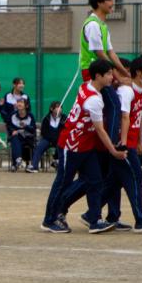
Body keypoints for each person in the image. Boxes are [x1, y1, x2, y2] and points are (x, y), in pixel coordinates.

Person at [41, 59, 126, 233]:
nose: (112, 77)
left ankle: (94, 220)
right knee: (62, 182)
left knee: (95, 180)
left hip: (86, 145)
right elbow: (101, 130)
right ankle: (49, 220)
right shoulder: (94, 100)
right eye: (109, 74)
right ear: (98, 76)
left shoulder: (87, 86)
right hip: (71, 145)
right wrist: (113, 151)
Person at [104, 55, 142, 232]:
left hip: (131, 142)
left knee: (114, 181)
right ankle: (141, 220)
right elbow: (123, 117)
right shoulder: (126, 91)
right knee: (136, 177)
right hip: (123, 144)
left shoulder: (141, 91)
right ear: (138, 72)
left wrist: (139, 139)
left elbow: (138, 116)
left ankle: (94, 214)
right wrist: (123, 143)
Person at [79, 0, 129, 82]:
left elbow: (111, 53)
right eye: (109, 0)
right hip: (93, 72)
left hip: (103, 72)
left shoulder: (103, 26)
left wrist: (125, 73)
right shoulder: (93, 25)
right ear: (99, 2)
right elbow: (100, 54)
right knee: (114, 95)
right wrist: (117, 75)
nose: (112, 3)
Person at [28, 101, 63, 173]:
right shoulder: (46, 118)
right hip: (47, 139)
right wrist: (50, 139)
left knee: (61, 145)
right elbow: (44, 132)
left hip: (59, 140)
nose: (59, 109)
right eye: (57, 107)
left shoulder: (64, 118)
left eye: (60, 107)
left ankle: (58, 163)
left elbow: (65, 131)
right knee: (39, 147)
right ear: (51, 109)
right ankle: (34, 166)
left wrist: (57, 138)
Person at [7, 98, 36, 171]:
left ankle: (17, 162)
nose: (19, 104)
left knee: (22, 142)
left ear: (26, 105)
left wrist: (25, 126)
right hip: (17, 137)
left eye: (21, 102)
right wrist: (13, 130)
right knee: (14, 138)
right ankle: (18, 160)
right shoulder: (12, 115)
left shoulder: (30, 116)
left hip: (27, 137)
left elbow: (33, 129)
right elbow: (9, 126)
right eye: (18, 102)